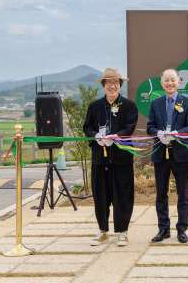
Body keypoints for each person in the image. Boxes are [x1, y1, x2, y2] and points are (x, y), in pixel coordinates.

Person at [83, 68, 138, 247]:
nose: (112, 86)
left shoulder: (129, 105)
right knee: (100, 195)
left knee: (123, 195)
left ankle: (123, 231)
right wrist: (96, 138)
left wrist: (115, 137)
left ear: (120, 85)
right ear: (104, 86)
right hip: (100, 158)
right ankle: (102, 231)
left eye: (115, 83)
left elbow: (129, 127)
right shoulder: (95, 106)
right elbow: (87, 127)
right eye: (108, 83)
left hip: (121, 158)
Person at [147, 68, 188, 243]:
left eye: (173, 80)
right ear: (161, 83)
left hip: (181, 153)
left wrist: (177, 133)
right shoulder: (155, 103)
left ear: (179, 82)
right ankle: (163, 229)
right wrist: (158, 133)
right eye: (166, 80)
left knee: (183, 194)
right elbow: (149, 127)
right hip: (160, 153)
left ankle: (182, 229)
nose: (170, 83)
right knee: (161, 193)